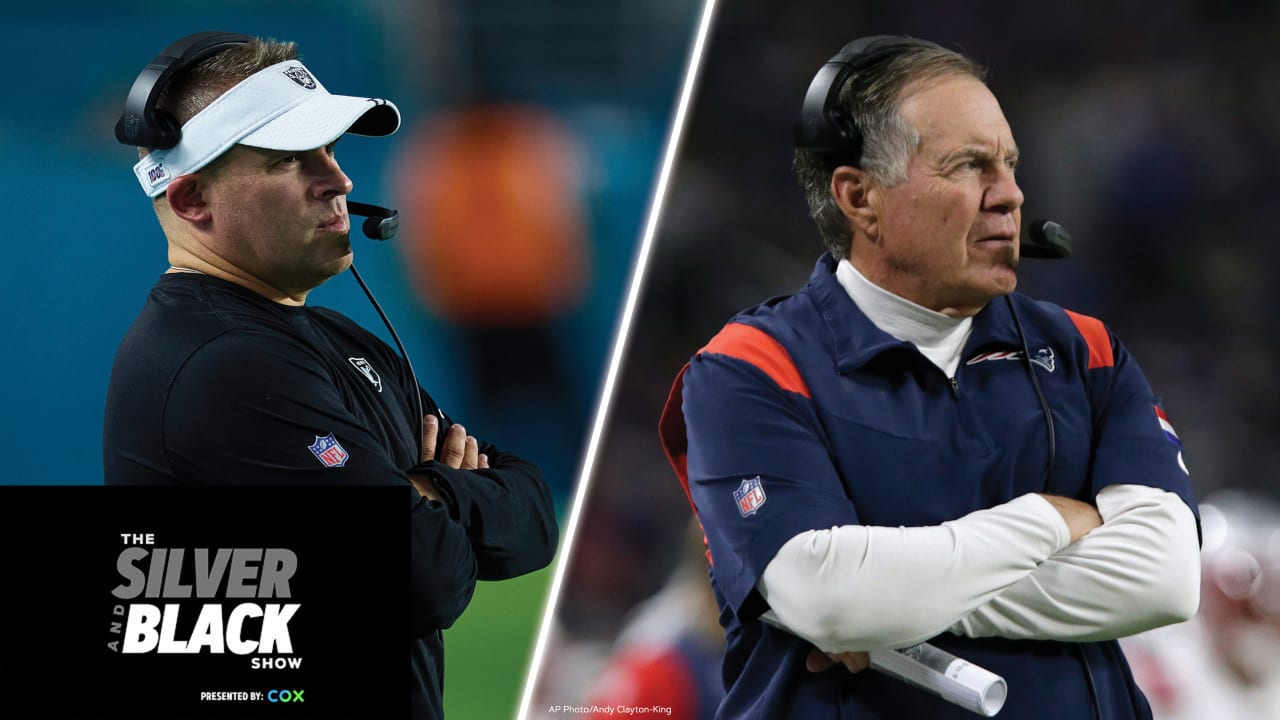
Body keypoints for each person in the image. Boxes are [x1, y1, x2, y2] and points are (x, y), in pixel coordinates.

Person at [658, 35, 1200, 719]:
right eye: (970, 166)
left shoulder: (1085, 350)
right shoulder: (749, 370)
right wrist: (1048, 519)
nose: (1010, 196)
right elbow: (831, 598)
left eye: (1009, 164)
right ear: (859, 197)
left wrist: (892, 600)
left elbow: (1166, 580)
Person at [102, 32, 558, 719]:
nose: (340, 180)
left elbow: (531, 512)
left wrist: (428, 491)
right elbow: (427, 575)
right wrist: (445, 494)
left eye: (333, 151)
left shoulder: (335, 340)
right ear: (193, 201)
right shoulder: (220, 366)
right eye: (290, 161)